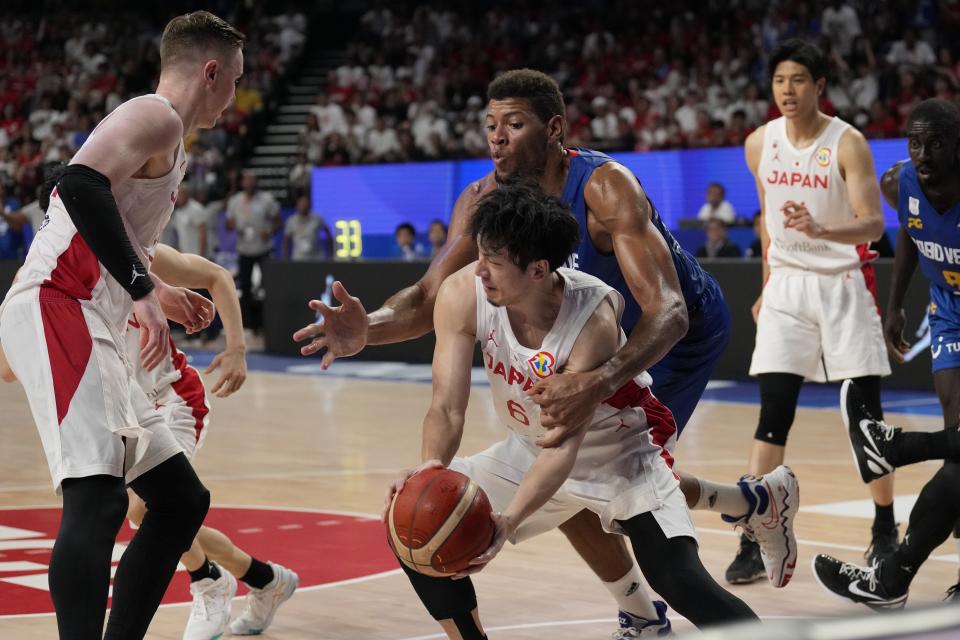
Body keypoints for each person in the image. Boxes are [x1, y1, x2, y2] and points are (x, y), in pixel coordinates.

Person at [294, 69, 798, 636]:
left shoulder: (605, 189)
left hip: (672, 334)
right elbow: (432, 298)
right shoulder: (487, 207)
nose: (497, 138)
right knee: (576, 467)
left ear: (554, 129)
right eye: (489, 125)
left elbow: (670, 313)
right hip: (587, 351)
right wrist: (370, 329)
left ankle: (684, 570)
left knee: (617, 465)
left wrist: (601, 379)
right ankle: (738, 515)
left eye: (514, 123)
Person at [385, 183, 757, 639]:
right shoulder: (464, 292)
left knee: (680, 580)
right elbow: (445, 407)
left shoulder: (591, 319)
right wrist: (432, 469)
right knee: (416, 525)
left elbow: (563, 450)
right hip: (528, 448)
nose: (480, 271)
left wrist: (509, 521)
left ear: (539, 269)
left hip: (620, 453)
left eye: (495, 263)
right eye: (480, 255)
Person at [0, 10, 242, 639]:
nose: (236, 97)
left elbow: (110, 231)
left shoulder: (171, 142)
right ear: (210, 71)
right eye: (234, 81)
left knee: (182, 501)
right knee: (100, 497)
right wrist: (141, 290)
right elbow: (78, 185)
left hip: (86, 308)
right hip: (59, 301)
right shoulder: (155, 113)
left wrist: (157, 288)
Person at [733, 38, 893, 584]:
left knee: (865, 415)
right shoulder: (759, 143)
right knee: (772, 411)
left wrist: (824, 229)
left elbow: (872, 223)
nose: (787, 90)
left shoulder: (848, 143)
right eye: (780, 80)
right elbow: (765, 219)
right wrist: (765, 283)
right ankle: (755, 538)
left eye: (798, 80)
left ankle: (884, 528)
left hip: (842, 281)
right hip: (787, 286)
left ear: (819, 86)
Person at [813, 99, 960, 608]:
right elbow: (913, 239)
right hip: (949, 313)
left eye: (936, 143)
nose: (922, 153)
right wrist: (895, 306)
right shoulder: (900, 184)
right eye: (915, 142)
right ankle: (894, 575)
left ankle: (896, 451)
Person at [125, 243, 299, 638]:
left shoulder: (140, 251)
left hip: (171, 399)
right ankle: (266, 579)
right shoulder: (53, 275)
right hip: (126, 411)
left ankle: (208, 581)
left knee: (147, 508)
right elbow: (8, 370)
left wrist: (237, 348)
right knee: (164, 519)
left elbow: (218, 276)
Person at [225, 170, 280, 334]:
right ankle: (248, 325)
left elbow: (278, 221)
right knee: (245, 288)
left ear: (256, 182)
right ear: (242, 183)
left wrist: (269, 231)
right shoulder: (235, 201)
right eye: (246, 180)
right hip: (244, 249)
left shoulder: (266, 199)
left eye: (252, 180)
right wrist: (234, 225)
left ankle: (266, 324)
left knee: (267, 286)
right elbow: (228, 224)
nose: (249, 183)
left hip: (263, 249)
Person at [282, 193, 332, 261]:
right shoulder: (291, 221)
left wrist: (330, 253)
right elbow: (286, 240)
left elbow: (328, 233)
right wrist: (285, 257)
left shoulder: (317, 218)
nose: (303, 207)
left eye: (305, 205)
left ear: (309, 206)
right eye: (301, 205)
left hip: (316, 258)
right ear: (297, 206)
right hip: (298, 258)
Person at [171, 182, 209, 257]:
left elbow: (202, 235)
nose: (177, 197)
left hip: (197, 255)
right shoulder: (178, 212)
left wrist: (201, 255)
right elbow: (178, 234)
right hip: (184, 255)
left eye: (180, 194)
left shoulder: (196, 209)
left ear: (187, 194)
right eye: (177, 195)